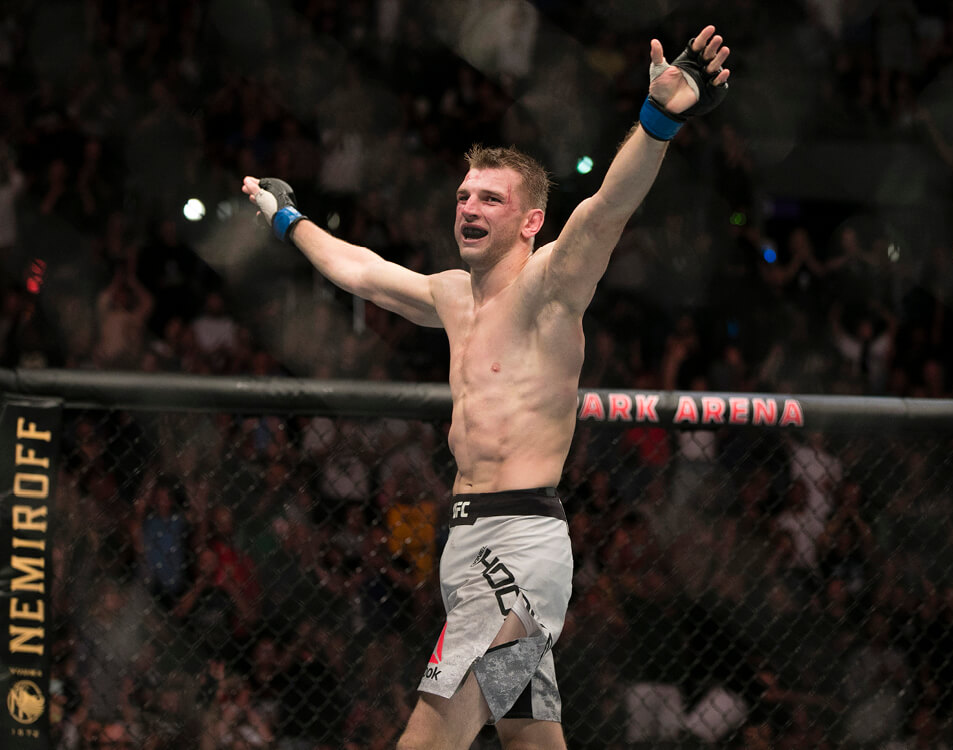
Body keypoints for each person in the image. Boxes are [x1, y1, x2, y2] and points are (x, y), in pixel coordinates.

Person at [242, 25, 732, 750]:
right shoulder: (450, 295)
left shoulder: (551, 286)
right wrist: (288, 218)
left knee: (429, 737)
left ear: (531, 220)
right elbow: (357, 270)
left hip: (520, 546)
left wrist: (658, 122)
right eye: (465, 195)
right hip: (467, 541)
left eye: (491, 199)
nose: (468, 208)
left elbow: (607, 208)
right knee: (531, 737)